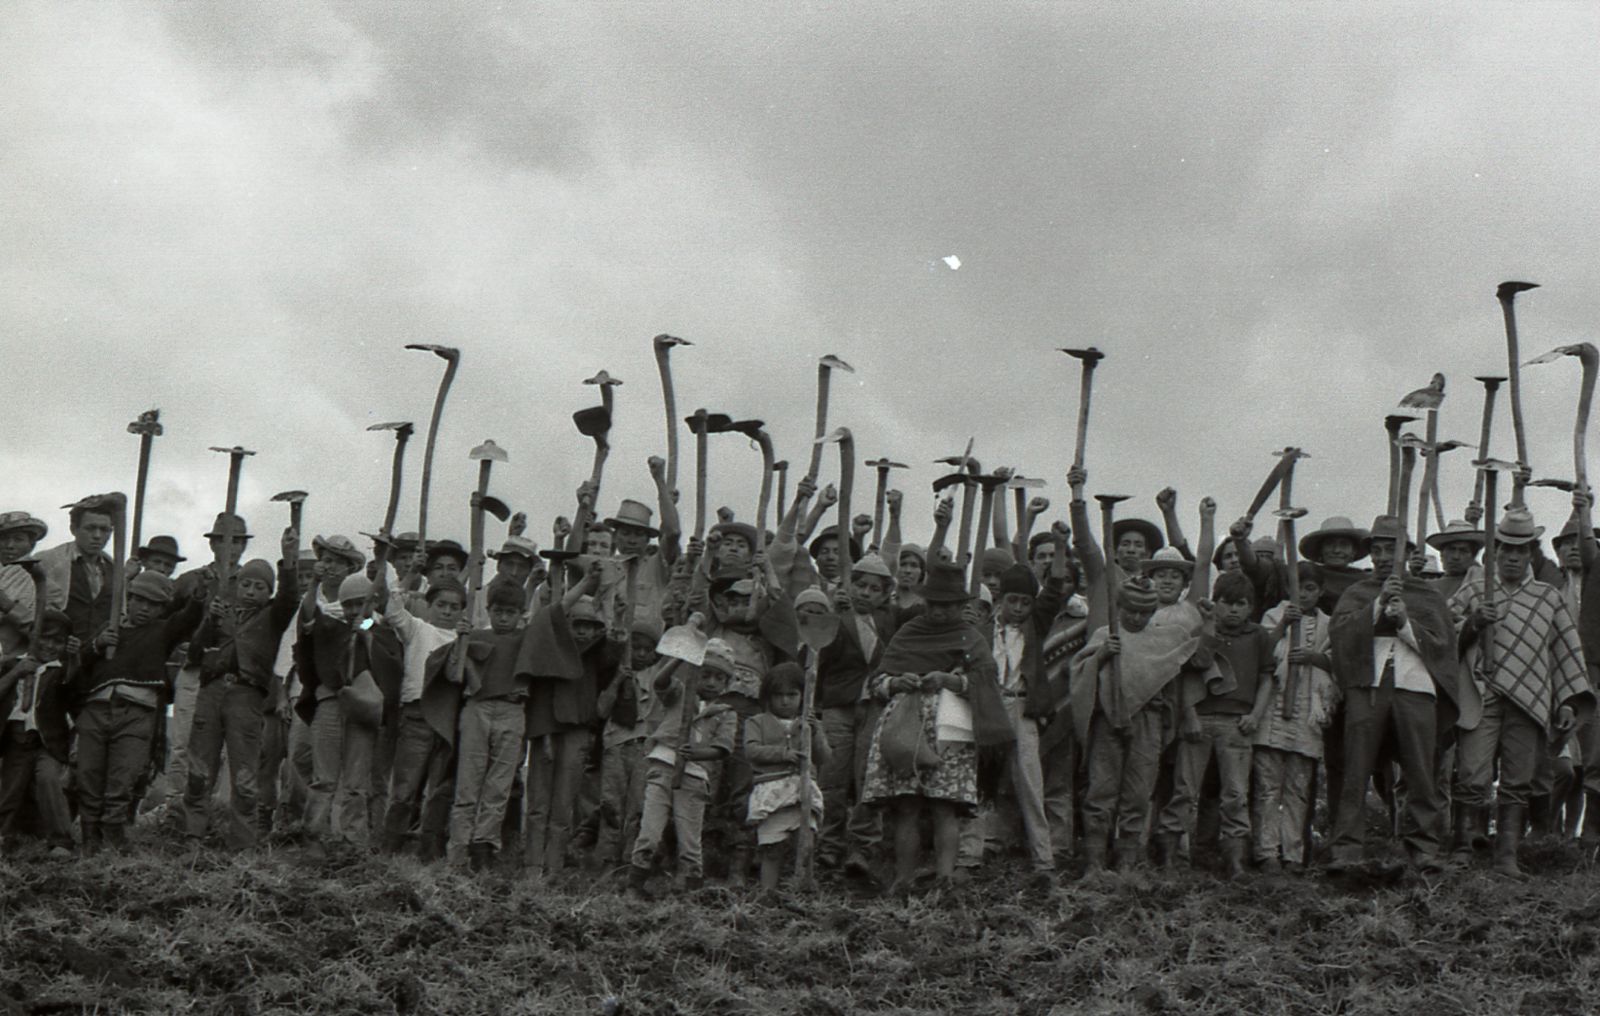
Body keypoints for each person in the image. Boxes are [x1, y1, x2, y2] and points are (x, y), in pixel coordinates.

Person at [1449, 508, 1592, 878]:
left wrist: (1565, 701)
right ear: (1495, 551)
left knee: (1517, 779)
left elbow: (1565, 650)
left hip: (1530, 700)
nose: (1513, 557)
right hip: (1482, 693)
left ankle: (1505, 857)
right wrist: (1473, 623)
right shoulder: (1476, 587)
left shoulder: (1548, 597)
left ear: (1531, 553)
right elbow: (1442, 632)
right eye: (1506, 549)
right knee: (1472, 773)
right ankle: (1463, 848)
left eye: (1521, 550)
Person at [860, 561, 1012, 893]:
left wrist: (951, 680)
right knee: (907, 806)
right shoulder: (909, 632)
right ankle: (904, 878)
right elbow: (879, 681)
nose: (940, 612)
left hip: (951, 733)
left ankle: (944, 879)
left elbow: (987, 682)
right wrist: (897, 682)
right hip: (905, 728)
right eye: (934, 605)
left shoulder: (970, 638)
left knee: (945, 807)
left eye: (948, 606)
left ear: (961, 606)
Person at [1325, 515, 1457, 874]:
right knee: (1356, 768)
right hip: (1366, 686)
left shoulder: (1427, 595)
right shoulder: (1358, 593)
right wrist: (1377, 607)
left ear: (1408, 553)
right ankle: (1347, 851)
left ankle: (1424, 849)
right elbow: (1339, 636)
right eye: (1378, 550)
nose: (1384, 557)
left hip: (1415, 686)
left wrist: (1404, 623)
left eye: (1392, 550)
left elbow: (1444, 646)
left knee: (1421, 769)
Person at [1070, 576, 1202, 873]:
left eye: (1144, 612)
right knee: (1101, 788)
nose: (1137, 617)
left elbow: (1176, 676)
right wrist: (1101, 656)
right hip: (1108, 721)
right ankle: (1094, 861)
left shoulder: (1163, 640)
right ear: (1119, 606)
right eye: (1131, 610)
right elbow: (1079, 674)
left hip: (1148, 722)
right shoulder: (1106, 635)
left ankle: (1127, 860)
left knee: (1139, 792)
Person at [182, 528, 300, 851]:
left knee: (245, 774)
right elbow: (194, 652)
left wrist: (289, 559)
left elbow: (291, 597)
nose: (250, 591)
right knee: (199, 768)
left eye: (259, 586)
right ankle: (193, 835)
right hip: (212, 692)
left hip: (247, 697)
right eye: (246, 584)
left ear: (269, 592)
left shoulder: (274, 616)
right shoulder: (221, 612)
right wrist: (209, 622)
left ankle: (243, 845)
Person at [1155, 571, 1273, 877]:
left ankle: (1234, 861)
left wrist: (1256, 715)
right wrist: (1190, 716)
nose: (1233, 610)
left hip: (1238, 723)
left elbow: (1266, 678)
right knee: (1184, 789)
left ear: (1251, 607)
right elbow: (1186, 675)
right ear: (1215, 603)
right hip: (1200, 719)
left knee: (1235, 793)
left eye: (1241, 604)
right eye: (1226, 602)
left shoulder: (1259, 636)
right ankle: (1172, 858)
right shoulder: (1200, 632)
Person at [74, 572, 202, 851]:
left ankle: (113, 834)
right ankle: (90, 839)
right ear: (128, 599)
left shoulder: (161, 631)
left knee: (122, 777)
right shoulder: (107, 629)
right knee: (89, 775)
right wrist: (97, 645)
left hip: (137, 711)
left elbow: (189, 617)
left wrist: (201, 593)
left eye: (153, 604)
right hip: (97, 708)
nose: (144, 609)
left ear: (161, 609)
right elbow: (78, 664)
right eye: (139, 600)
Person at [959, 562, 1062, 881]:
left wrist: (1061, 547)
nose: (1018, 608)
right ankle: (968, 854)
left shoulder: (1035, 626)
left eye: (1025, 602)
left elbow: (1055, 590)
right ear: (1000, 599)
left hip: (1021, 706)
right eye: (1012, 600)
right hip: (988, 707)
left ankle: (1043, 860)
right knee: (977, 781)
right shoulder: (981, 630)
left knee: (1030, 782)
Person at [628, 638, 739, 893]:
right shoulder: (680, 693)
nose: (711, 682)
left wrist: (698, 753)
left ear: (726, 683)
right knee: (650, 831)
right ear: (695, 672)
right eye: (706, 674)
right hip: (663, 766)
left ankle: (690, 890)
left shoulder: (725, 712)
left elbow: (722, 749)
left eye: (719, 678)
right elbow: (660, 683)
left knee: (690, 840)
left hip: (695, 777)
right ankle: (634, 885)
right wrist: (681, 657)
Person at [1251, 565, 1338, 872]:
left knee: (1298, 789)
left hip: (1308, 711)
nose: (1303, 594)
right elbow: (1258, 654)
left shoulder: (1329, 625)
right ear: (1289, 590)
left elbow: (1338, 662)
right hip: (1273, 707)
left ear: (1321, 592)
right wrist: (1282, 628)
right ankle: (1266, 852)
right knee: (1267, 787)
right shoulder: (1274, 616)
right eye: (1298, 587)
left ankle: (1293, 854)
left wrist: (1314, 658)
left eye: (1311, 588)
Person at [814, 553, 897, 877]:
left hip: (875, 704)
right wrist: (834, 613)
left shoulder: (890, 621)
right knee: (832, 777)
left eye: (874, 588)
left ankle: (863, 846)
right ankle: (828, 844)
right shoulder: (835, 615)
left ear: (884, 593)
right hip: (839, 705)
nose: (866, 592)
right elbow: (819, 654)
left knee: (869, 777)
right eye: (860, 585)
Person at [378, 561, 465, 860]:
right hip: (415, 715)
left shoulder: (464, 639)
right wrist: (408, 576)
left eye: (455, 607)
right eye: (441, 604)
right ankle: (390, 847)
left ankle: (429, 851)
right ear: (429, 605)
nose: (447, 611)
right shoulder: (417, 628)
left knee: (438, 790)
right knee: (404, 787)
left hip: (447, 719)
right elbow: (390, 612)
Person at [449, 579, 531, 872]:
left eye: (511, 612)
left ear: (521, 613)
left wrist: (533, 582)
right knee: (468, 782)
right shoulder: (475, 636)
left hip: (512, 709)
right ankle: (459, 850)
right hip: (478, 709)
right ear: (489, 610)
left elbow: (551, 620)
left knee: (499, 785)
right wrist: (461, 642)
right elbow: (452, 674)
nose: (504, 617)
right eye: (498, 611)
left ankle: (484, 845)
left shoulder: (527, 639)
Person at [743, 662, 830, 891]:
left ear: (803, 696)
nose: (785, 701)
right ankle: (767, 892)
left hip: (803, 790)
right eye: (778, 695)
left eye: (792, 694)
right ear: (767, 697)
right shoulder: (757, 722)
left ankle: (804, 887)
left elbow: (824, 757)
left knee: (806, 842)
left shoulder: (809, 724)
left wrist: (817, 731)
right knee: (772, 846)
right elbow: (752, 751)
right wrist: (783, 754)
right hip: (772, 791)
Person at [0, 609, 75, 855]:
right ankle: (4, 836)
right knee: (10, 789)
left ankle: (61, 840)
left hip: (47, 742)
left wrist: (75, 659)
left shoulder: (61, 671)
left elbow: (75, 690)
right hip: (15, 739)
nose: (50, 646)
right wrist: (16, 673)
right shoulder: (11, 664)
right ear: (32, 634)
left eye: (58, 641)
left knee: (48, 780)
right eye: (45, 637)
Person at [0, 512, 48, 643]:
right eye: (3, 539)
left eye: (18, 539)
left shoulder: (42, 581)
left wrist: (8, 605)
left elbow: (42, 633)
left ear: (31, 544)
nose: (9, 545)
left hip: (12, 656)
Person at [1424, 520, 1485, 602]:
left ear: (1473, 556)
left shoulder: (1479, 584)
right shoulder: (1429, 587)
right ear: (1442, 554)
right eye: (1451, 550)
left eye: (1463, 551)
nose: (1456, 557)